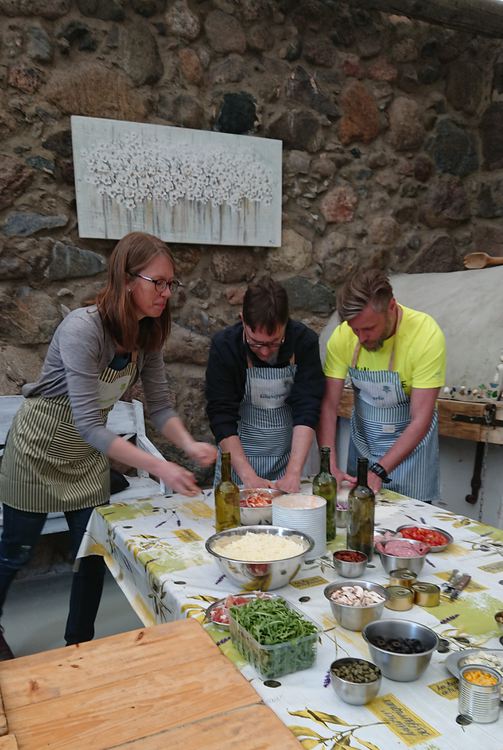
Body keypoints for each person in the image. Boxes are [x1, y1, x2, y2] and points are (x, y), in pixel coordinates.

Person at [0, 231, 216, 659]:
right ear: (127, 279)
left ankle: (78, 644)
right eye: (158, 282)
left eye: (171, 283)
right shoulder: (83, 329)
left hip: (84, 460)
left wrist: (189, 445)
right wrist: (160, 467)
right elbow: (89, 425)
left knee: (92, 554)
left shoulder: (147, 334)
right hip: (37, 451)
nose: (166, 293)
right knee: (14, 553)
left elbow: (160, 408)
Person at [317, 268, 445, 502]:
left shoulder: (425, 335)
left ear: (391, 307)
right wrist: (330, 464)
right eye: (355, 329)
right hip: (364, 449)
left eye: (368, 328)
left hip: (411, 459)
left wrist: (379, 471)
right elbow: (328, 406)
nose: (361, 337)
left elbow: (421, 419)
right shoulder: (342, 337)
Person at [205, 276, 324, 493]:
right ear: (243, 320)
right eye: (256, 342)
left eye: (274, 342)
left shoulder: (304, 342)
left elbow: (307, 408)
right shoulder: (225, 346)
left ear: (286, 323)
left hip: (289, 460)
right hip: (240, 465)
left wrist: (293, 473)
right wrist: (248, 476)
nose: (265, 352)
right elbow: (221, 416)